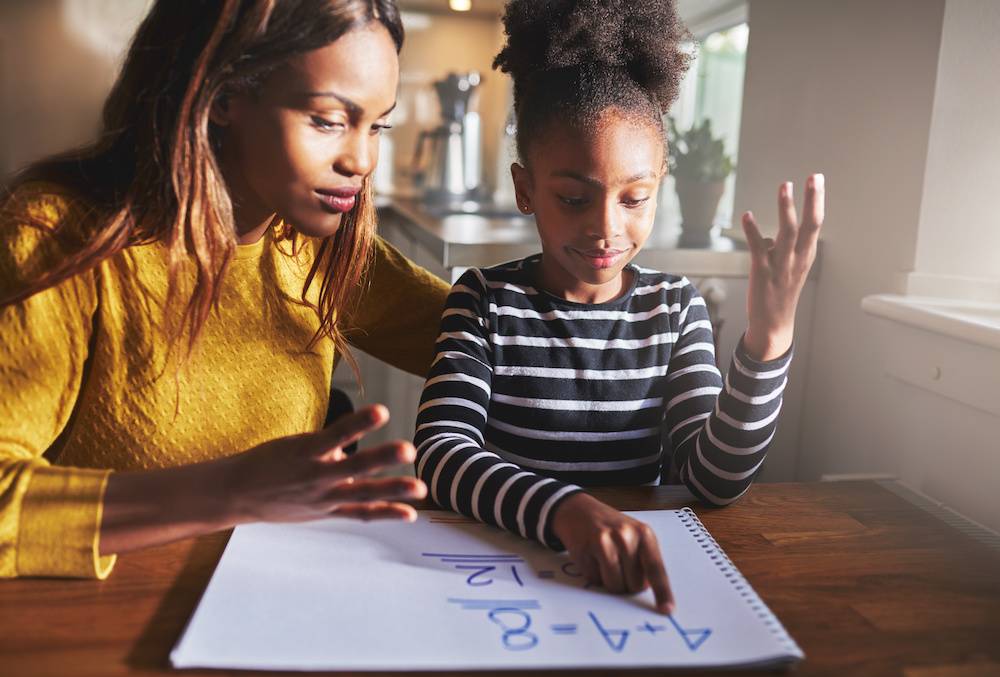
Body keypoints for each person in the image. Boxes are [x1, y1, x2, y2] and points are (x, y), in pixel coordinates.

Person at [0, 0, 450, 579]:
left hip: (279, 597)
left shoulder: (313, 244)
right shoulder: (59, 239)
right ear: (226, 94)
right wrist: (232, 490)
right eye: (328, 120)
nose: (362, 160)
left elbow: (497, 344)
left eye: (378, 125)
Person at [413, 0, 824, 615]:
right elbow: (442, 452)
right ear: (526, 189)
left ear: (660, 183)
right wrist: (565, 510)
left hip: (622, 589)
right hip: (503, 578)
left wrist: (769, 339)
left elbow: (713, 481)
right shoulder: (484, 301)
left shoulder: (675, 309)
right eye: (574, 198)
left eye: (635, 198)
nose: (607, 228)